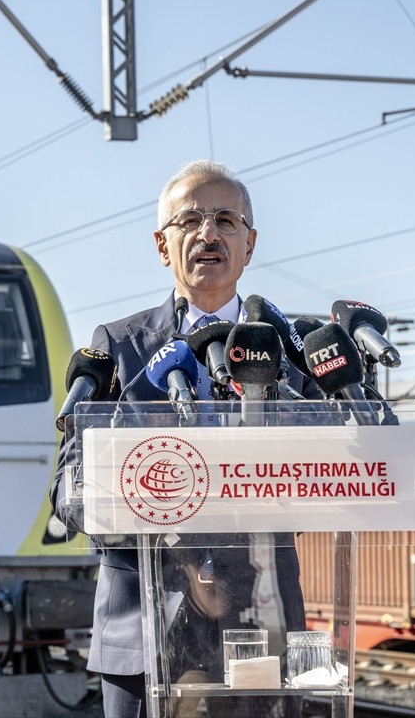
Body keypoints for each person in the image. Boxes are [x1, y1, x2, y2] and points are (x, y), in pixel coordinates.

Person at [50, 160, 319, 718]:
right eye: (190, 220)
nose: (208, 233)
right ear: (161, 245)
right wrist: (171, 534)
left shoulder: (293, 349)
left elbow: (334, 472)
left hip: (262, 621)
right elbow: (68, 494)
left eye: (225, 220)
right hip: (143, 633)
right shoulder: (119, 347)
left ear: (249, 243)